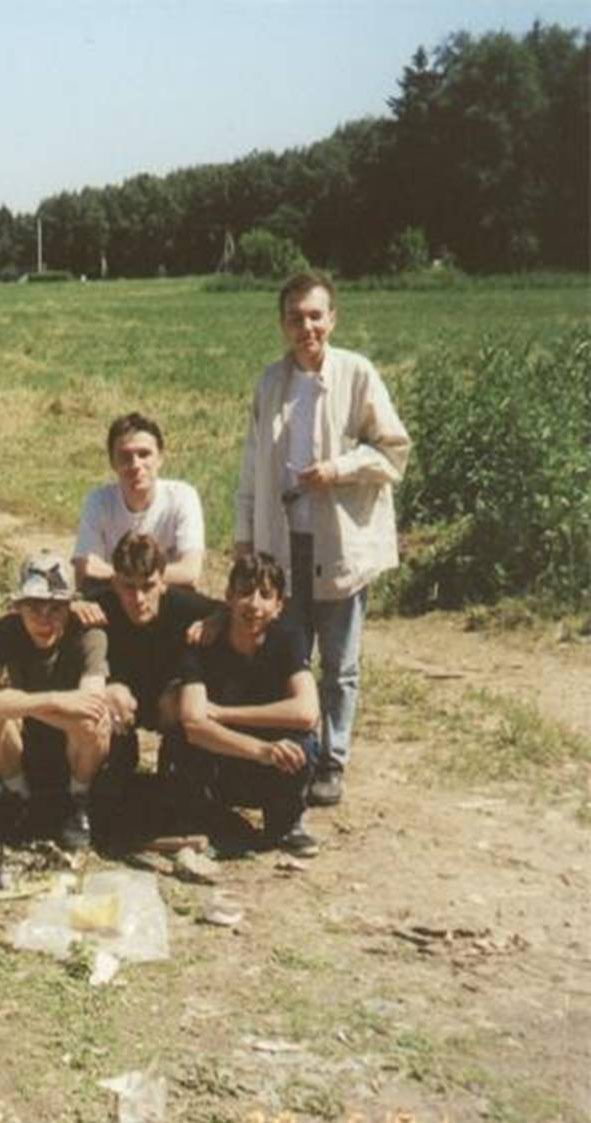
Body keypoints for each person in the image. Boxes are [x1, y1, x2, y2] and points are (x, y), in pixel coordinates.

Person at [235, 271, 410, 807]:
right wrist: (244, 539)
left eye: (315, 315)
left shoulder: (357, 375)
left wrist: (337, 469)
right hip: (283, 547)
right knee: (287, 655)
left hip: (339, 544)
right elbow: (250, 468)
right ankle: (295, 754)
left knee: (340, 665)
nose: (306, 326)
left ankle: (332, 761)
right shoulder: (271, 383)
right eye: (295, 317)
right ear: (282, 324)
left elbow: (392, 452)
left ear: (332, 318)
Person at [176, 553, 320, 856]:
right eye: (244, 592)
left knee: (302, 745)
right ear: (228, 597)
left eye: (265, 596)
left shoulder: (288, 637)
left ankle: (285, 822)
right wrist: (261, 751)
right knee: (181, 743)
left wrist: (224, 713)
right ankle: (210, 819)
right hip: (223, 757)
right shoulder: (203, 641)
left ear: (279, 606)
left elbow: (307, 713)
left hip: (267, 760)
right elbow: (193, 724)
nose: (253, 605)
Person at [0, 550, 112, 850]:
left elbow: (91, 708)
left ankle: (78, 800)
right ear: (18, 607)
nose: (44, 620)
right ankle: (18, 794)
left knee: (96, 724)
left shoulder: (89, 636)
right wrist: (52, 701)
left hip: (76, 749)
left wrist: (14, 701)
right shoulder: (4, 631)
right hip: (29, 744)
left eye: (56, 609)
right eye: (34, 608)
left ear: (71, 607)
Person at [96, 533, 220, 766]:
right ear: (115, 583)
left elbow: (228, 610)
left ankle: (175, 767)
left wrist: (216, 620)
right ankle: (117, 765)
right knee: (109, 698)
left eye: (148, 586)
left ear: (163, 582)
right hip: (122, 704)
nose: (139, 598)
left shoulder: (180, 603)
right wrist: (75, 606)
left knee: (182, 700)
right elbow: (55, 610)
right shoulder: (101, 606)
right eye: (129, 587)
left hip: (166, 702)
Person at [73, 412, 205, 593]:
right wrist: (148, 579)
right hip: (118, 600)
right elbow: (85, 570)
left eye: (144, 454)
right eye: (125, 456)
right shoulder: (98, 501)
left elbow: (190, 572)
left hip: (166, 600)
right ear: (112, 462)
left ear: (160, 458)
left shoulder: (182, 497)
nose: (135, 465)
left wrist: (125, 579)